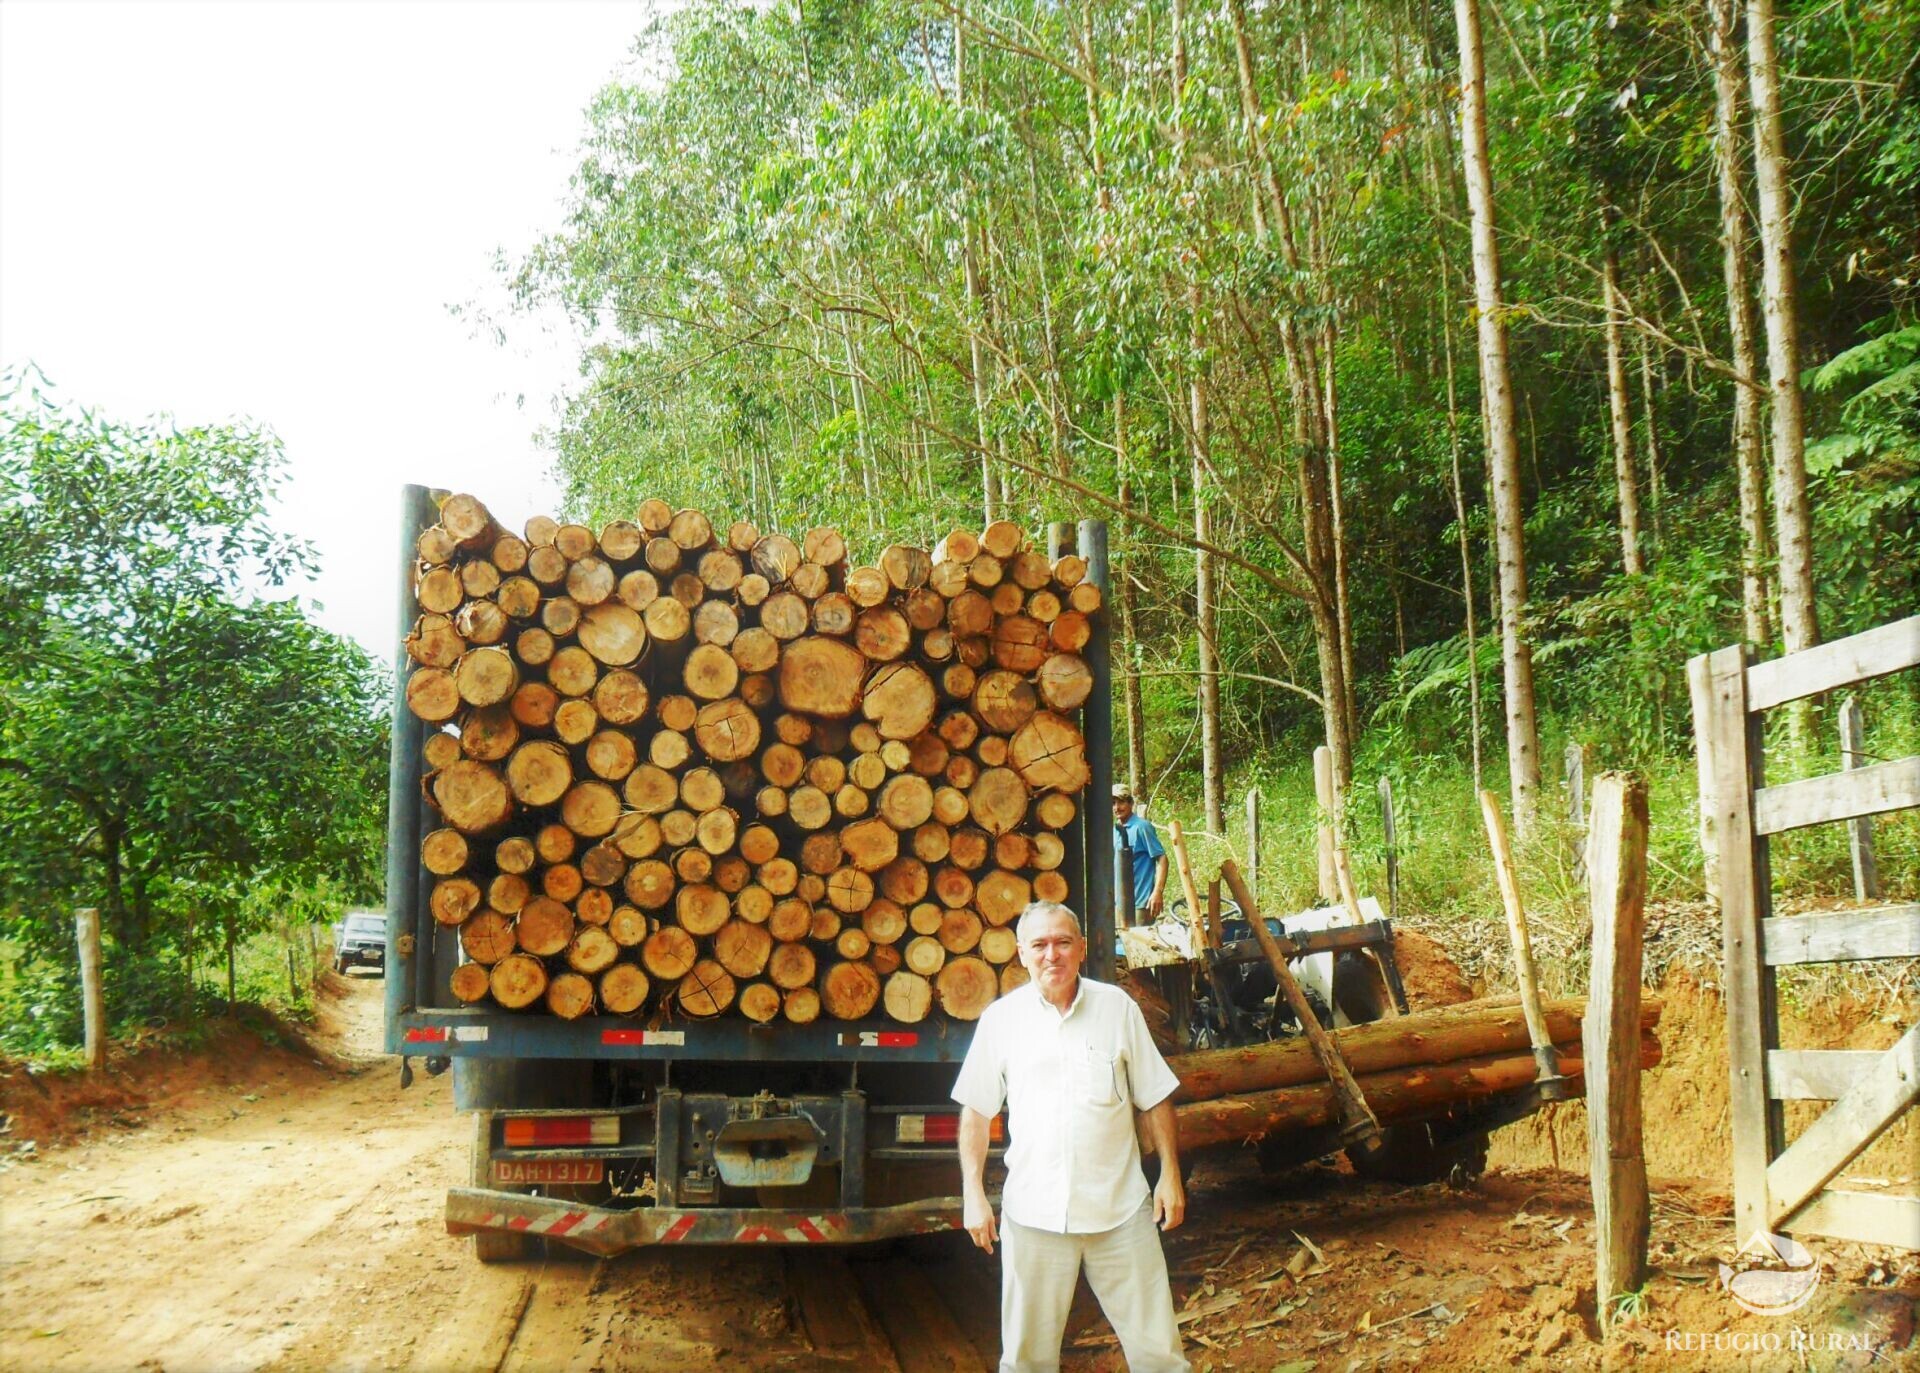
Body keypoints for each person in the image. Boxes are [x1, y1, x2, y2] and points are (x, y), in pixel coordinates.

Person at [952, 900, 1189, 1373]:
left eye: (1063, 943)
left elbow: (1155, 1095)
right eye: (1039, 944)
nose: (1051, 955)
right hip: (1034, 1218)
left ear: (1081, 949)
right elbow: (976, 1112)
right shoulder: (1002, 1020)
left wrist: (1169, 1175)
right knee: (1026, 1361)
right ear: (1021, 953)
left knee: (1159, 1355)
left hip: (1120, 1214)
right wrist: (972, 1194)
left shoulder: (1116, 1008)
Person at [1112, 784, 1169, 920]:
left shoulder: (1141, 827)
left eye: (1121, 802)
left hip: (1141, 903)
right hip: (1119, 903)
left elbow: (1162, 858)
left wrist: (1157, 892)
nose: (1117, 807)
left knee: (1139, 940)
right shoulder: (1115, 830)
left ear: (1131, 803)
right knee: (1120, 940)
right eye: (1113, 803)